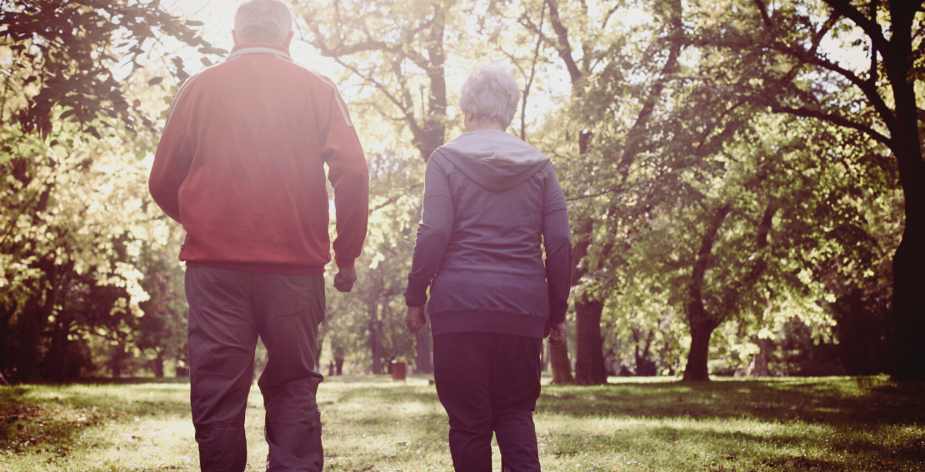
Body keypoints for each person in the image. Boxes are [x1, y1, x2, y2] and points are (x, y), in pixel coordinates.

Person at [148, 1, 369, 470]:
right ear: (288, 39)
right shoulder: (318, 90)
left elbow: (162, 181)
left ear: (234, 36)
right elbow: (353, 170)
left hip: (215, 273)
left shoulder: (199, 89)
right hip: (295, 272)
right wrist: (345, 255)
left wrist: (203, 224)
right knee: (293, 386)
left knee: (218, 394)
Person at [404, 66, 572, 472]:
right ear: (509, 114)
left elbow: (435, 231)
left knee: (469, 424)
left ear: (467, 113)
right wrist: (557, 311)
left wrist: (415, 297)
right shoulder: (541, 167)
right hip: (522, 310)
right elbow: (561, 243)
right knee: (515, 413)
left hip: (458, 309)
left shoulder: (444, 160)